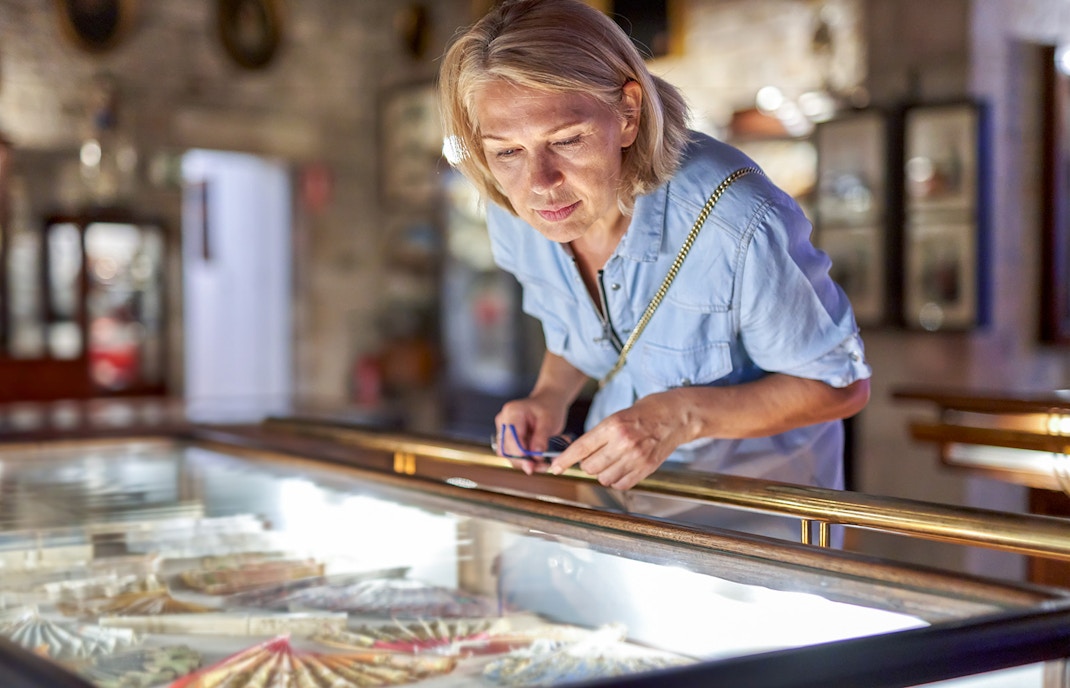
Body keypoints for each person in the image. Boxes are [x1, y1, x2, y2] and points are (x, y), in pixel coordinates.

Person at [437, 0, 871, 540]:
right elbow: (582, 327)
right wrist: (549, 396)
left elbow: (839, 386)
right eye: (506, 152)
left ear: (627, 112)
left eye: (566, 141)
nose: (539, 182)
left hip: (757, 537)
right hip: (620, 519)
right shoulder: (517, 213)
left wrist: (677, 416)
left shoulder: (737, 221)